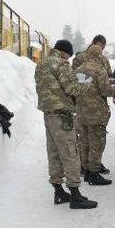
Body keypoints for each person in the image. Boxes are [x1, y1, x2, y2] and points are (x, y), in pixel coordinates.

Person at [34, 39, 98, 209]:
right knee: (70, 153)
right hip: (63, 116)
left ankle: (59, 192)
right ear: (64, 53)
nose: (68, 60)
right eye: (68, 56)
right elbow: (72, 89)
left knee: (53, 152)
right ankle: (76, 196)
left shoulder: (41, 64)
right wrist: (86, 84)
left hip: (49, 115)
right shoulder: (61, 65)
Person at [76, 45, 115, 185]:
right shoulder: (99, 69)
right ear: (99, 55)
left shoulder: (78, 69)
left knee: (84, 142)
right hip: (96, 113)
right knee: (97, 143)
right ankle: (94, 173)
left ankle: (86, 170)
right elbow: (105, 90)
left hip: (82, 112)